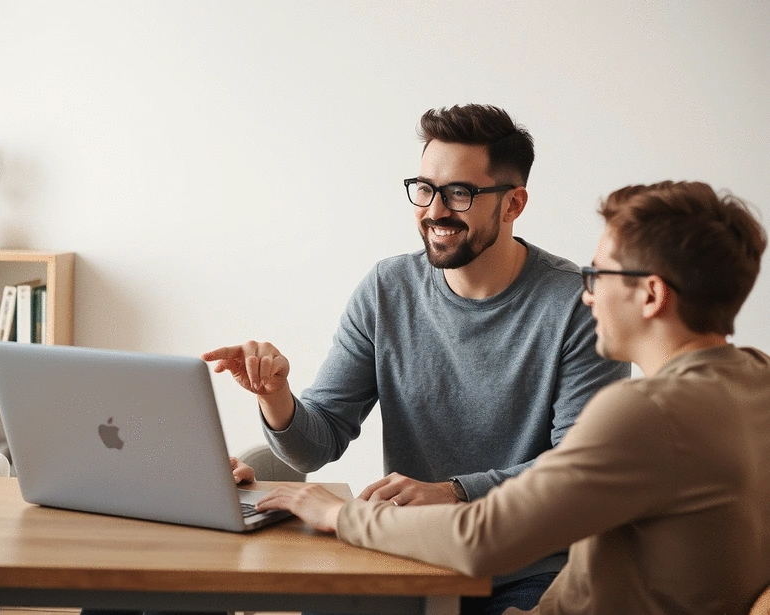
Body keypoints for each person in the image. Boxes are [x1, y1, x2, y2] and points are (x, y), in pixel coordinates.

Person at [253, 180, 770, 615]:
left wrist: (338, 515)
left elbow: (481, 540)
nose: (586, 294)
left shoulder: (646, 413)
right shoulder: (756, 381)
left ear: (652, 295)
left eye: (597, 275)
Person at [203, 104, 629, 611]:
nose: (435, 210)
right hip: (407, 558)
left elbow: (575, 474)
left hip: (526, 570)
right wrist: (275, 395)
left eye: (459, 193)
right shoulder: (387, 289)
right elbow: (316, 445)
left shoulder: (580, 305)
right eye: (425, 189)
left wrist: (455, 491)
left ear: (513, 203)